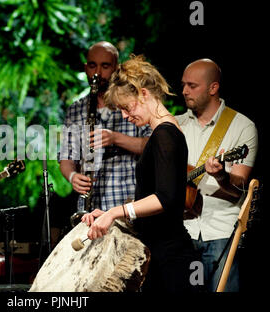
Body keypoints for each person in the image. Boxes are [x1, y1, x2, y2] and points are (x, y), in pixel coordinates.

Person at [83, 54, 198, 293]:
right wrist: (110, 216)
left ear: (143, 93)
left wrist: (116, 212)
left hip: (170, 258)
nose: (125, 115)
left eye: (127, 107)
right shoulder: (162, 134)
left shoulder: (165, 135)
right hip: (158, 253)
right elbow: (153, 196)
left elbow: (164, 199)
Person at [176, 59, 258, 292]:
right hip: (182, 229)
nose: (184, 91)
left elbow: (240, 188)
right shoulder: (176, 125)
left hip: (221, 232)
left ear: (213, 88)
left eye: (192, 85)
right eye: (183, 85)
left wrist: (222, 177)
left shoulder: (242, 126)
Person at [59, 41, 151, 220]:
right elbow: (66, 159)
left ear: (116, 69)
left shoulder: (134, 103)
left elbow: (152, 145)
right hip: (90, 210)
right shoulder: (76, 109)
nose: (98, 73)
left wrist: (115, 138)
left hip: (129, 205)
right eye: (92, 66)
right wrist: (72, 177)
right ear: (86, 68)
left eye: (105, 66)